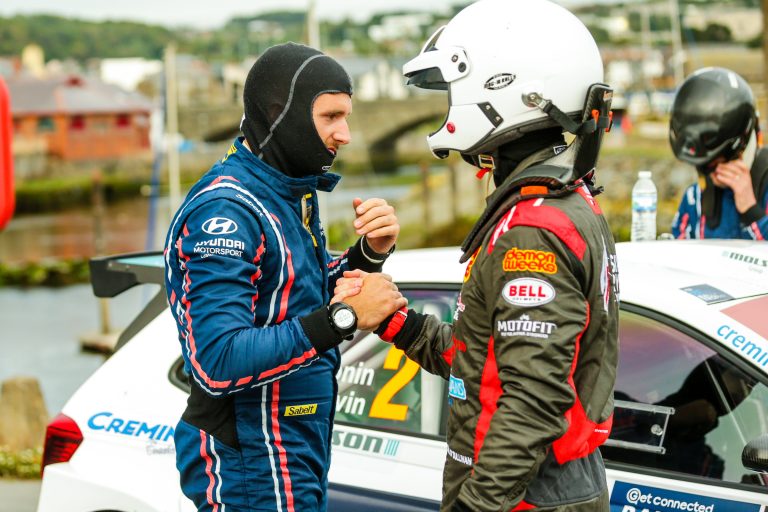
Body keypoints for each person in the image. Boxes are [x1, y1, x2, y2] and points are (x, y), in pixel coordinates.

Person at [336, 0, 619, 510]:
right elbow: (485, 360)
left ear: (501, 89)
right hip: (545, 486)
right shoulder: (562, 203)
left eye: (454, 89)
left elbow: (532, 401)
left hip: (527, 495)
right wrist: (397, 322)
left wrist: (475, 507)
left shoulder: (533, 231)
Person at [163, 42, 407, 511]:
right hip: (251, 455)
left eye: (346, 116)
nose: (345, 134)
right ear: (282, 114)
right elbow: (217, 359)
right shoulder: (226, 211)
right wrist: (344, 318)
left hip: (292, 441)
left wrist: (368, 254)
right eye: (331, 116)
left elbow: (298, 298)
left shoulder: (289, 193)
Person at [669, 67, 768, 239]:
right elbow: (679, 248)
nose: (712, 173)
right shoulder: (695, 198)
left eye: (716, 164)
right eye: (703, 167)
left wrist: (750, 210)